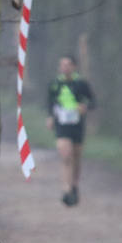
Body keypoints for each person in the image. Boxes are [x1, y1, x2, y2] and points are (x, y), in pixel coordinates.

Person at [45, 55, 95, 206]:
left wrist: (84, 107)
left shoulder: (81, 84)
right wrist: (50, 117)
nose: (64, 68)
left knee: (76, 156)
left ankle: (74, 185)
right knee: (65, 155)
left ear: (74, 67)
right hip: (61, 124)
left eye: (67, 65)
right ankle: (66, 189)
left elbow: (93, 101)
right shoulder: (55, 84)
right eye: (62, 65)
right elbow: (50, 102)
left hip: (77, 124)